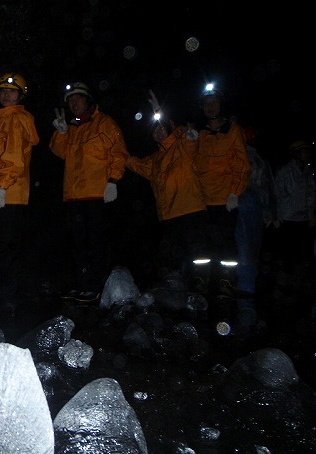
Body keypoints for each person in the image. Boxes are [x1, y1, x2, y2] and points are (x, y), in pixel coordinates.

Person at [49, 82, 129, 304]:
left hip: (97, 195)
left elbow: (119, 153)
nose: (74, 103)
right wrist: (61, 132)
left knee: (97, 243)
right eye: (70, 101)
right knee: (78, 244)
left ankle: (97, 286)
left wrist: (113, 180)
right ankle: (82, 285)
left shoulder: (104, 123)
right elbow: (59, 152)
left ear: (88, 101)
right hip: (74, 196)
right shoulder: (72, 126)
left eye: (78, 99)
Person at [125, 90, 206, 285]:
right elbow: (132, 162)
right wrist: (114, 150)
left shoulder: (182, 143)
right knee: (169, 257)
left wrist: (159, 111)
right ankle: (176, 291)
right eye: (154, 130)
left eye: (161, 128)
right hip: (169, 216)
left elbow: (184, 135)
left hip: (191, 211)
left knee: (198, 257)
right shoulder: (155, 160)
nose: (158, 132)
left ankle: (201, 289)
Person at [0, 73, 40, 314]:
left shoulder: (16, 120)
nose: (6, 95)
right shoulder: (6, 120)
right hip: (5, 193)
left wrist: (2, 189)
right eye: (3, 91)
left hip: (8, 193)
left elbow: (13, 159)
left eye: (12, 92)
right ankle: (10, 296)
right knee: (6, 246)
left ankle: (7, 301)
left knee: (6, 248)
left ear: (21, 95)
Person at [192, 83, 250, 296]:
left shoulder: (233, 131)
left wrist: (235, 192)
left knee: (226, 245)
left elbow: (242, 165)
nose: (210, 107)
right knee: (202, 245)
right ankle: (201, 280)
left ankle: (226, 281)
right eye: (206, 103)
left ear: (221, 105)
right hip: (203, 200)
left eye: (214, 102)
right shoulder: (199, 134)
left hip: (226, 200)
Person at [234, 126, 278, 297]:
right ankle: (246, 286)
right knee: (250, 248)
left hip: (244, 207)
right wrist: (270, 213)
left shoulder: (244, 158)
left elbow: (266, 187)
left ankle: (245, 287)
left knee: (244, 248)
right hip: (251, 208)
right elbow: (268, 188)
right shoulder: (257, 158)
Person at [274, 139, 316, 290]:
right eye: (304, 152)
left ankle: (298, 283)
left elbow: (311, 196)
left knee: (302, 252)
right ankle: (283, 283)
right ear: (297, 154)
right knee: (286, 252)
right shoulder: (285, 172)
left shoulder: (307, 172)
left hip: (303, 218)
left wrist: (311, 216)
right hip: (287, 218)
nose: (307, 155)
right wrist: (276, 216)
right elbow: (277, 195)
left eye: (308, 152)